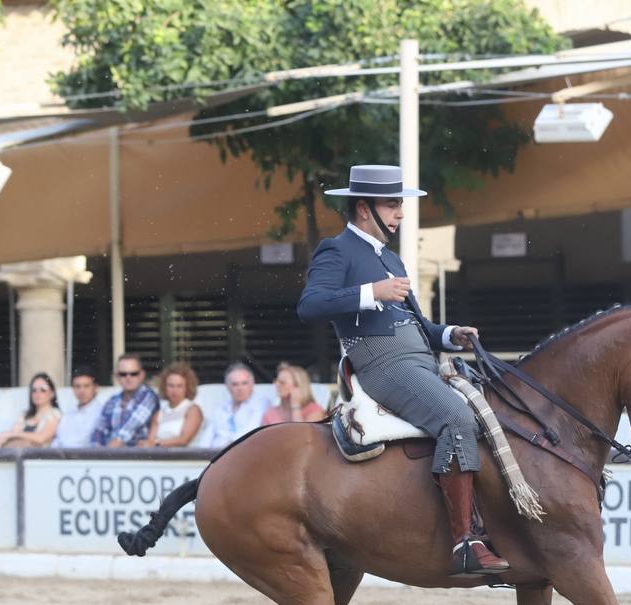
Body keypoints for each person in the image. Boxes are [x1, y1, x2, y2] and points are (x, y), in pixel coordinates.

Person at [298, 163, 505, 577]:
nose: (400, 214)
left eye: (399, 205)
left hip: (423, 360)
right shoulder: (336, 250)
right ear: (363, 209)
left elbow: (419, 326)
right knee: (455, 416)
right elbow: (310, 305)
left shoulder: (391, 258)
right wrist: (370, 292)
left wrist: (450, 334)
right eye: (392, 205)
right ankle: (465, 542)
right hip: (379, 362)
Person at [91, 354, 158, 448]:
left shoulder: (149, 396)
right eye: (123, 374)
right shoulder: (112, 401)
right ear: (117, 377)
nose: (128, 377)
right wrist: (97, 449)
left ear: (142, 375)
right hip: (111, 457)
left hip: (139, 457)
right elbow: (99, 430)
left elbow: (130, 427)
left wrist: (107, 451)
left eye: (134, 374)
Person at [200, 362, 269, 448]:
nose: (240, 388)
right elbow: (206, 438)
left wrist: (226, 449)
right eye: (235, 384)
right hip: (214, 455)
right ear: (227, 387)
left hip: (241, 452)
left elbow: (250, 431)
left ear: (252, 384)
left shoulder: (261, 403)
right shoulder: (221, 409)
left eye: (244, 383)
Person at [0, 372, 62, 448]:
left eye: (43, 390)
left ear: (52, 393)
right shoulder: (24, 415)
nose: (37, 394)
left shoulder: (55, 414)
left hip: (38, 455)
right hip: (16, 452)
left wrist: (13, 434)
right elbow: (13, 434)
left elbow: (41, 438)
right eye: (34, 390)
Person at [147, 363, 205, 447]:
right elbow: (150, 441)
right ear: (164, 387)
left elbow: (184, 440)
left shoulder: (193, 410)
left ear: (187, 387)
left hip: (186, 458)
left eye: (179, 386)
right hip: (160, 457)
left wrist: (157, 442)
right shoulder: (159, 413)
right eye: (171, 385)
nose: (175, 390)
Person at [54, 366, 105, 449]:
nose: (81, 391)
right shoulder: (69, 412)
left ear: (95, 388)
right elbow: (59, 439)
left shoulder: (101, 413)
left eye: (86, 386)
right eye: (77, 386)